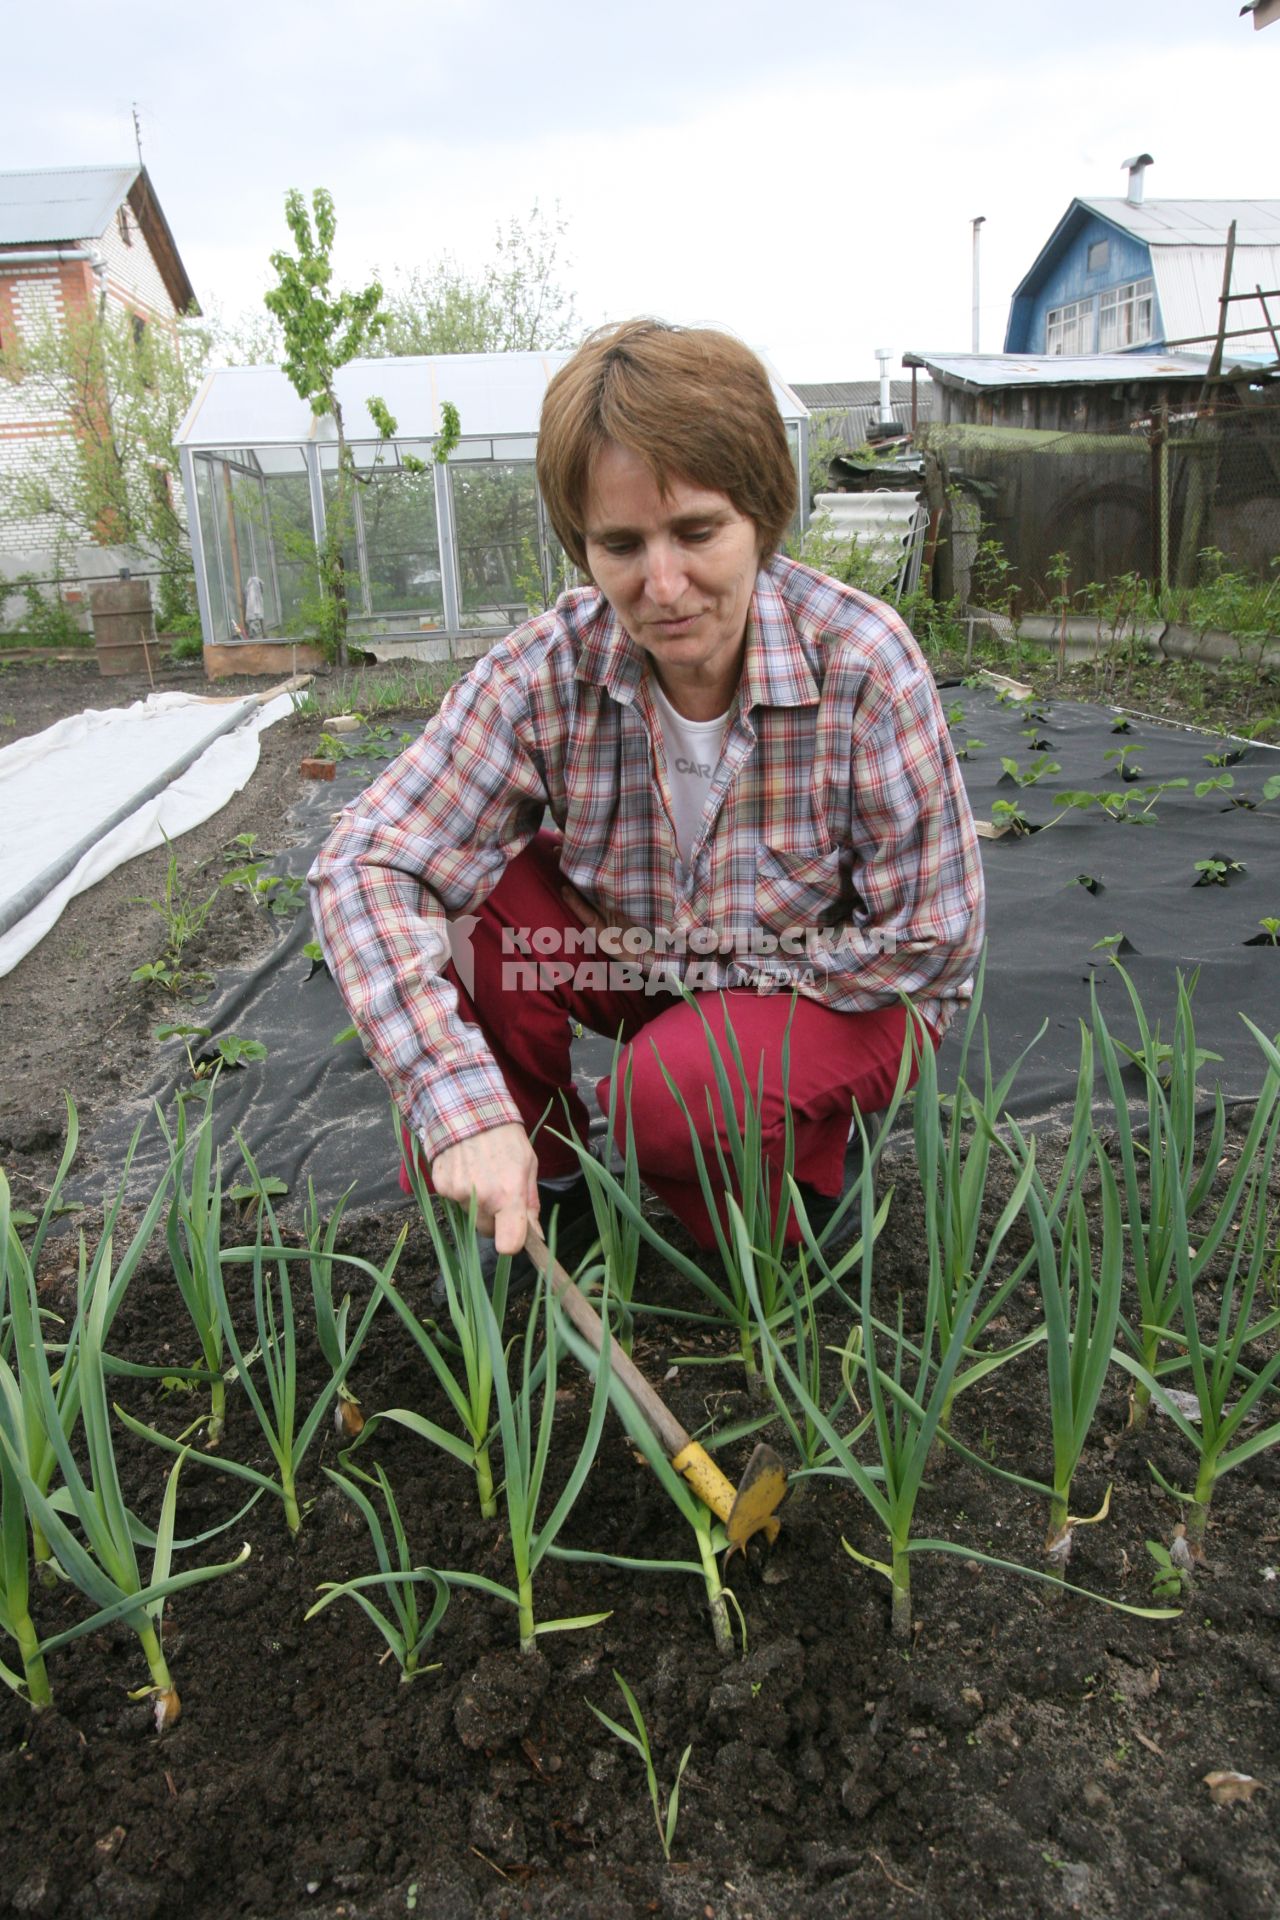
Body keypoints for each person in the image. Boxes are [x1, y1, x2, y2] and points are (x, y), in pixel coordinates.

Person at [308, 319, 985, 1266]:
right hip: (653, 955)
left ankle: (796, 1234)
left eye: (697, 532)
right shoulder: (552, 670)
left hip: (842, 991)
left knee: (669, 1097)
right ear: (582, 545)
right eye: (621, 543)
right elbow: (365, 860)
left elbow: (930, 942)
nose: (662, 584)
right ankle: (542, 1197)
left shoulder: (861, 664)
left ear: (762, 517)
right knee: (474, 906)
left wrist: (715, 1004)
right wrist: (454, 1101)